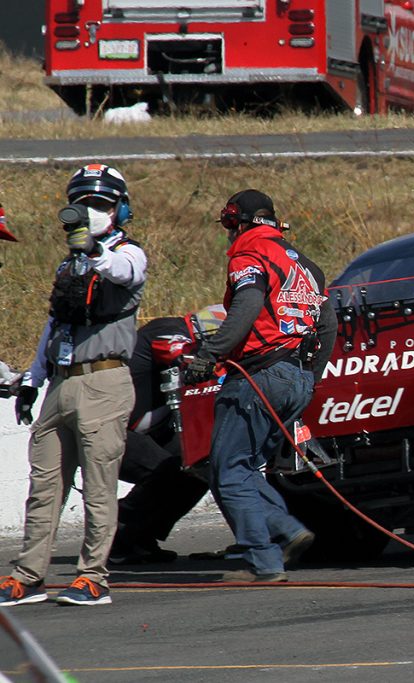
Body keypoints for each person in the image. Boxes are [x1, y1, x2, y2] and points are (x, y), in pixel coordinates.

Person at [0, 164, 146, 606]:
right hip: (62, 383)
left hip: (104, 381)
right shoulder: (70, 263)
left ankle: (92, 577)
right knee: (44, 486)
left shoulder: (128, 253)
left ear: (120, 209)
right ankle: (29, 575)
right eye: (83, 203)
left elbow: (124, 273)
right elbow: (54, 324)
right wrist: (34, 378)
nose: (91, 211)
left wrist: (94, 249)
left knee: (100, 486)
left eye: (101, 204)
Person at [182, 189, 337, 582]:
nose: (229, 234)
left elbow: (247, 306)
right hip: (295, 379)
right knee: (247, 468)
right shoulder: (306, 266)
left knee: (228, 470)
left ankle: (266, 556)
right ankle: (285, 531)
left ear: (238, 221)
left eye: (229, 225)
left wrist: (210, 353)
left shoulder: (250, 253)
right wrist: (308, 378)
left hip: (259, 376)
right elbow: (330, 325)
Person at [109, 307, 225, 565]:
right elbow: (181, 357)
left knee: (200, 465)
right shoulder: (168, 330)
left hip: (146, 431)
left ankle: (140, 537)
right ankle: (116, 533)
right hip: (113, 429)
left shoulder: (182, 333)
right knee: (169, 471)